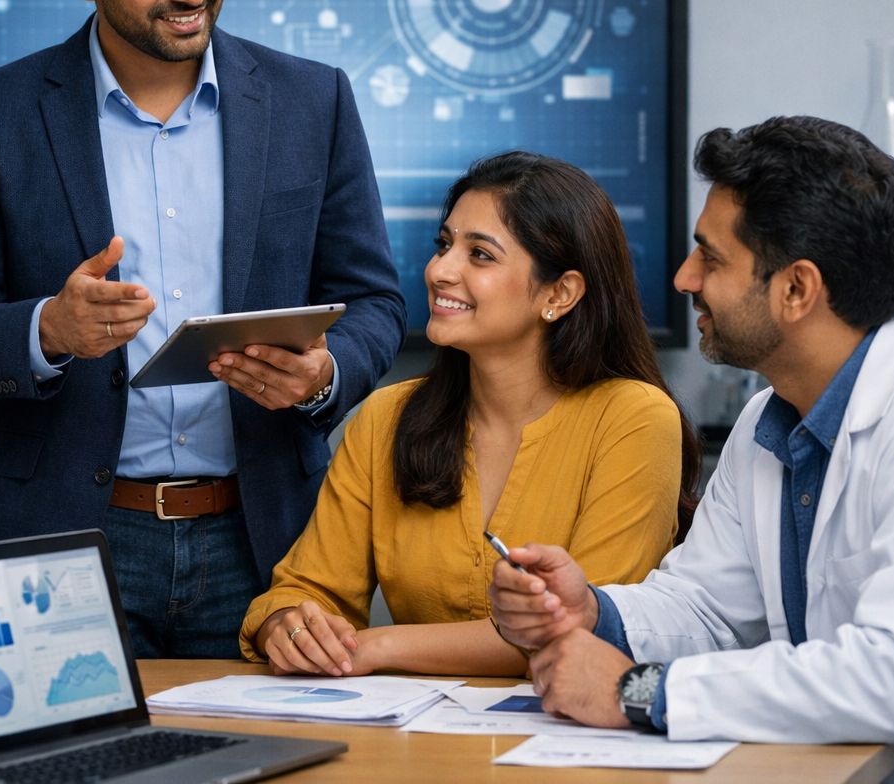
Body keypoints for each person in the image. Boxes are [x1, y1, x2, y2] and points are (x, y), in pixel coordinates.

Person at [0, 0, 404, 658]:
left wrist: (324, 375)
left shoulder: (314, 102)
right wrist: (46, 332)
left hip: (266, 539)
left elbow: (377, 301)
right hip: (62, 536)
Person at [489, 117, 894, 782]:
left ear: (796, 290)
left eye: (711, 258)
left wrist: (641, 691)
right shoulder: (773, 416)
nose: (683, 278)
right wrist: (592, 609)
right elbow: (708, 607)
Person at [239, 152, 702, 677]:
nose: (439, 270)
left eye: (479, 254)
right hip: (414, 743)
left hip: (570, 739)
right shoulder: (387, 417)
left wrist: (376, 647)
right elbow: (307, 588)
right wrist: (290, 627)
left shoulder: (636, 420)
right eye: (444, 244)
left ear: (560, 293)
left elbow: (578, 629)